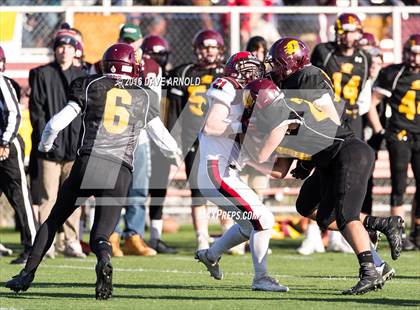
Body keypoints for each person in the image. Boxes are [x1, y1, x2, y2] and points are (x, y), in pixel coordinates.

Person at [5, 43, 181, 299]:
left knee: (54, 219)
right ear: (131, 67)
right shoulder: (143, 96)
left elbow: (55, 123)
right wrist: (175, 157)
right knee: (101, 235)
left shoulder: (90, 85)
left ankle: (27, 274)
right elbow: (165, 141)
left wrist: (44, 145)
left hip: (89, 162)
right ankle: (103, 259)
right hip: (120, 170)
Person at [243, 75, 402, 295]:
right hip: (328, 162)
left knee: (346, 216)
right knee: (311, 208)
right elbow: (280, 169)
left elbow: (262, 156)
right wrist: (306, 161)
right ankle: (381, 224)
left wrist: (242, 156)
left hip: (348, 155)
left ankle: (370, 271)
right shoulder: (287, 107)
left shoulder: (280, 116)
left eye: (251, 107)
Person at [195, 51, 288, 292]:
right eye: (248, 70)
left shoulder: (248, 96)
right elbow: (212, 125)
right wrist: (246, 124)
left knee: (249, 227)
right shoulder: (227, 85)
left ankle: (210, 255)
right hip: (215, 169)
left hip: (227, 172)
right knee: (263, 220)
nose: (253, 75)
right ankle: (261, 278)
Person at [309, 13, 373, 252]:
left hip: (351, 119)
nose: (348, 36)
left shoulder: (364, 58)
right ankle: (314, 234)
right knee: (319, 174)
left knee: (345, 178)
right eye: (344, 31)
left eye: (353, 31)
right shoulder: (323, 51)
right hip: (324, 118)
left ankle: (339, 235)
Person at [28, 32, 86, 260]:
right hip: (50, 151)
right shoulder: (43, 74)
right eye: (60, 46)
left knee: (74, 198)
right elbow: (38, 111)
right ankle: (46, 243)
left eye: (69, 47)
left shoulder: (82, 76)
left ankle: (72, 241)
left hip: (74, 150)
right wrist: (48, 141)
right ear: (55, 49)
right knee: (47, 197)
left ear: (75, 50)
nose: (64, 50)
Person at [167, 29, 225, 250]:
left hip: (221, 139)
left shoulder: (226, 72)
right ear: (197, 50)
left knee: (223, 187)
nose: (209, 52)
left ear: (220, 50)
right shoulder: (185, 73)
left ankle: (227, 232)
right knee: (198, 190)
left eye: (213, 47)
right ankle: (202, 236)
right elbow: (173, 110)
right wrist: (174, 141)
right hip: (194, 139)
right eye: (205, 47)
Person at [108, 23, 161, 257]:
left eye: (133, 40)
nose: (129, 44)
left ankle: (134, 236)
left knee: (138, 189)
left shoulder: (151, 67)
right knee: (111, 189)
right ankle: (110, 235)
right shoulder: (109, 60)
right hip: (112, 138)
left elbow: (153, 104)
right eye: (125, 39)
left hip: (139, 136)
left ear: (141, 42)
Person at [367, 33, 420, 251]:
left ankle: (417, 229)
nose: (414, 58)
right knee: (399, 184)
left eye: (418, 54)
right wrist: (380, 130)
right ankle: (398, 232)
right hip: (400, 134)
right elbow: (372, 103)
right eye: (411, 53)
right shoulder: (394, 73)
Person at [0, 45, 38, 264]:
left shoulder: (2, 82)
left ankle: (32, 245)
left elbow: (13, 113)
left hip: (6, 146)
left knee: (19, 195)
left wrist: (4, 141)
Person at [141, 34, 177, 254]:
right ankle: (130, 234)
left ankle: (155, 237)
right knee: (136, 188)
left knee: (159, 188)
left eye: (163, 55)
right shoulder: (143, 76)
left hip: (163, 137)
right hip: (144, 136)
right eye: (157, 54)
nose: (161, 59)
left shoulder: (172, 77)